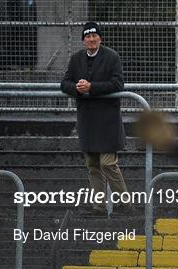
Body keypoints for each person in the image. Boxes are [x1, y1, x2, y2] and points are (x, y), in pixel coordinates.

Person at [61, 22, 131, 216]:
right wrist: (77, 88)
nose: (91, 39)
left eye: (94, 36)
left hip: (107, 120)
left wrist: (92, 87)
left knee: (108, 163)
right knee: (92, 165)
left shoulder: (112, 57)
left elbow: (118, 84)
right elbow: (64, 83)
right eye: (87, 37)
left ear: (100, 38)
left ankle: (126, 204)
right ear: (83, 40)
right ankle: (98, 207)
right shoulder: (76, 59)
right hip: (87, 120)